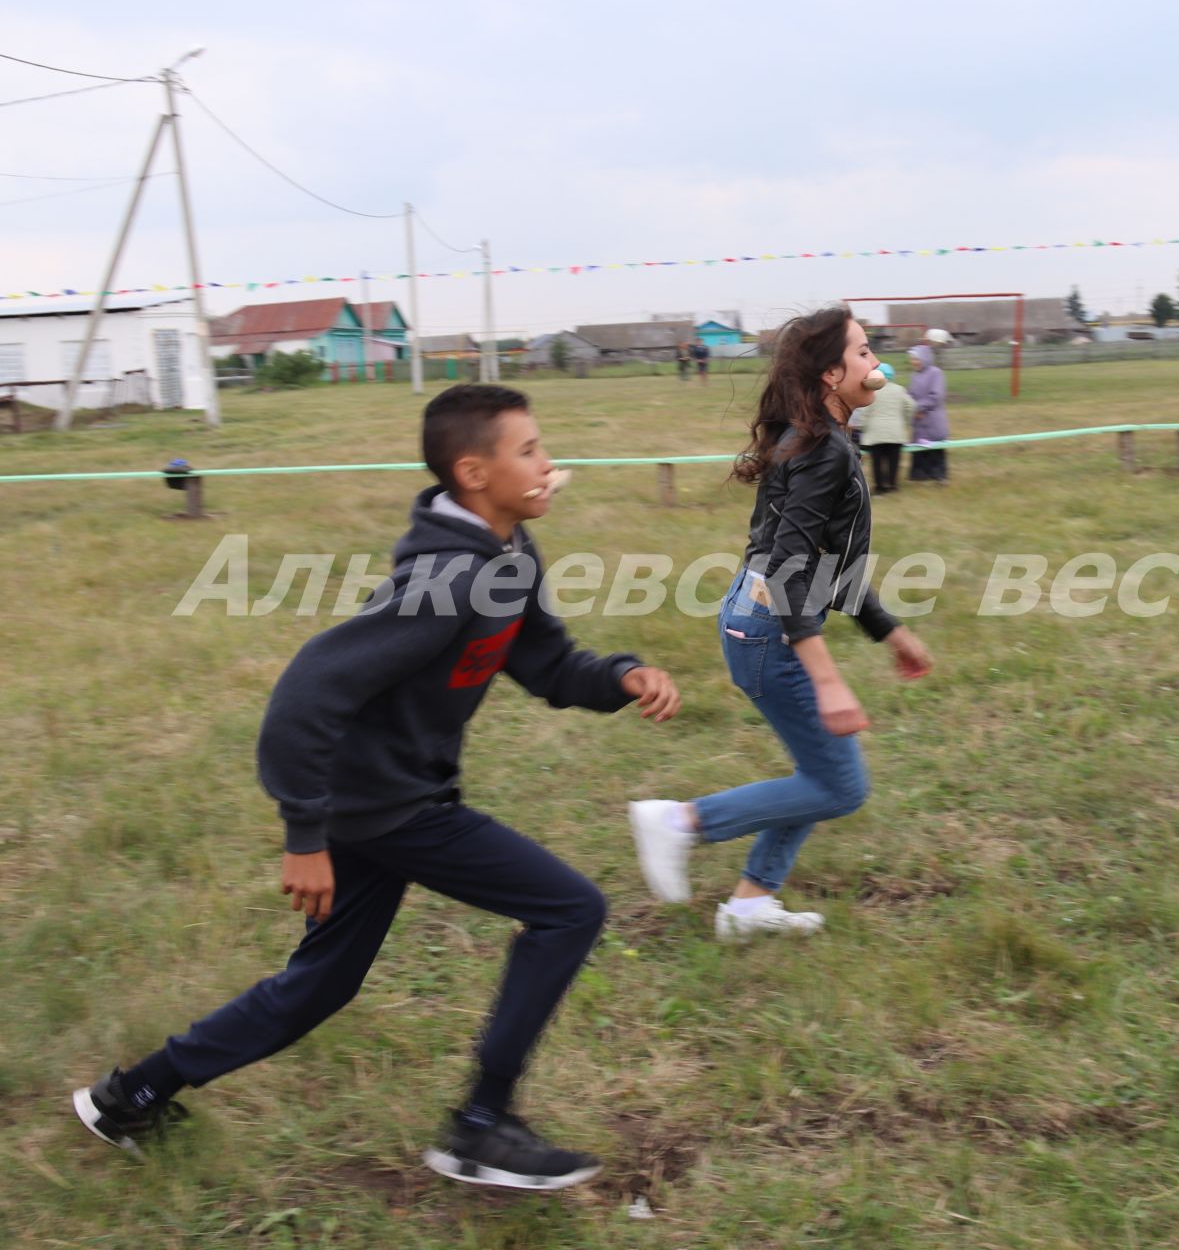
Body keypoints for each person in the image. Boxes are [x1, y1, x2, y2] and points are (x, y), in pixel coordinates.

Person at [71, 384, 682, 1192]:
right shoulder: (444, 577)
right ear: (474, 471)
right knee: (570, 908)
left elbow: (546, 662)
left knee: (319, 985)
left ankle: (131, 1095)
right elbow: (308, 693)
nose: (547, 464)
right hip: (386, 805)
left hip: (389, 798)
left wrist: (621, 675)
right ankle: (480, 1125)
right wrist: (304, 835)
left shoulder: (507, 555)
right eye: (528, 450)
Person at [627, 305, 933, 941]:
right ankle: (681, 823)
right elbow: (794, 574)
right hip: (769, 634)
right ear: (830, 374)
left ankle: (748, 906)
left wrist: (891, 632)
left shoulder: (815, 438)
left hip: (753, 621)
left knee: (817, 777)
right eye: (865, 353)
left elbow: (829, 571)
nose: (878, 365)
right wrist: (827, 681)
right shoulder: (822, 452)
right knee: (841, 786)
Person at [858, 360, 916, 494]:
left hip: (875, 433)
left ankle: (880, 487)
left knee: (877, 462)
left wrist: (863, 428)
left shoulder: (871, 391)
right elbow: (911, 406)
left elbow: (865, 412)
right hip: (895, 432)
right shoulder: (899, 389)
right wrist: (904, 421)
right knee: (893, 460)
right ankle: (892, 485)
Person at [905, 343, 950, 483]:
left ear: (924, 358)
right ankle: (920, 475)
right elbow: (910, 395)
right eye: (912, 359)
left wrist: (919, 408)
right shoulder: (914, 376)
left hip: (932, 419)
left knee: (935, 447)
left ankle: (939, 475)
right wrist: (911, 407)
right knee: (919, 447)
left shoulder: (936, 373)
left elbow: (936, 396)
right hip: (918, 420)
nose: (914, 362)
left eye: (916, 359)